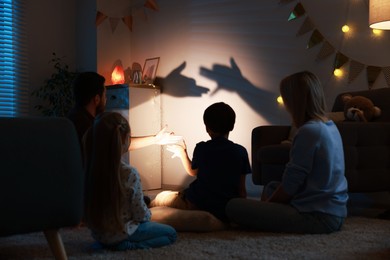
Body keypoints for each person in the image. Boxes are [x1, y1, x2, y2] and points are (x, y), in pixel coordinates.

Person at [226, 71, 349, 234]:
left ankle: (265, 220)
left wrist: (266, 207)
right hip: (334, 210)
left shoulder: (309, 132)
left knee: (232, 206)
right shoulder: (330, 127)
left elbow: (291, 183)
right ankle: (267, 218)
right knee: (271, 187)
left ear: (294, 100)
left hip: (317, 216)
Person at [83, 112, 177, 250]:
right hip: (124, 232)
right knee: (171, 234)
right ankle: (128, 246)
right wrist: (149, 214)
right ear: (126, 139)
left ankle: (109, 245)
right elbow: (140, 215)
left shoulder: (89, 169)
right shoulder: (129, 173)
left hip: (100, 236)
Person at [151, 102, 251, 222]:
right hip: (225, 206)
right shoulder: (241, 151)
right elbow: (242, 190)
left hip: (197, 203)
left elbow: (193, 172)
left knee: (163, 197)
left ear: (207, 128)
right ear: (232, 126)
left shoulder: (202, 147)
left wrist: (182, 152)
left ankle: (147, 205)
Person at [67, 71, 172, 154]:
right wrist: (156, 139)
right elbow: (119, 145)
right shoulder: (90, 128)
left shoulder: (70, 120)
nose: (106, 99)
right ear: (97, 99)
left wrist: (155, 139)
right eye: (105, 95)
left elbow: (122, 144)